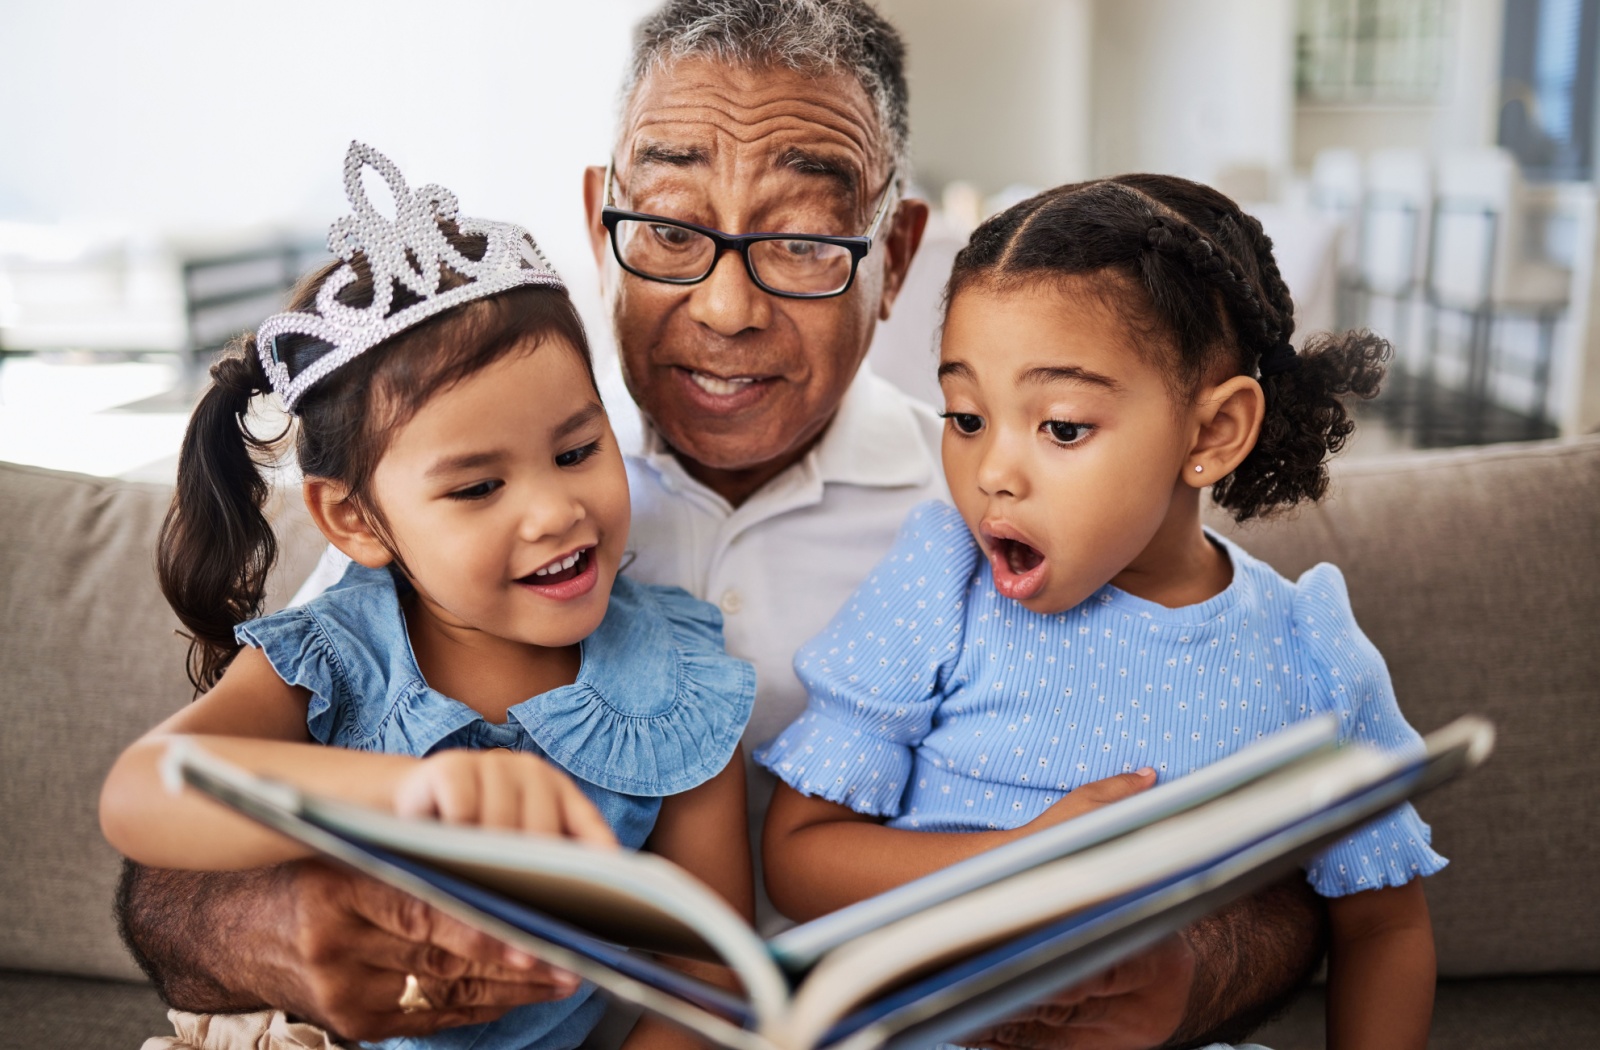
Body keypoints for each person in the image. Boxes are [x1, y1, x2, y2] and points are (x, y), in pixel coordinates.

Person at [117, 4, 1329, 1048]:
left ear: (894, 257)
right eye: (670, 230)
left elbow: (1278, 879)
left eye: (803, 239)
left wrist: (1172, 976)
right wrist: (277, 934)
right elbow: (171, 854)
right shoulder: (437, 508)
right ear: (601, 225)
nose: (728, 305)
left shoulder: (1012, 511)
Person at [758, 174, 1441, 1050]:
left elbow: (1383, 927)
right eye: (966, 417)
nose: (994, 472)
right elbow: (798, 855)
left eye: (1063, 428)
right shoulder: (941, 587)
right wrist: (1020, 863)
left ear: (1210, 434)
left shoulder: (1308, 654)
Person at [100, 142, 756, 1050]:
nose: (556, 511)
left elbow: (709, 977)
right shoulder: (332, 658)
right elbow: (139, 792)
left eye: (577, 452)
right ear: (356, 520)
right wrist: (406, 792)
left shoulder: (680, 680)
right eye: (477, 488)